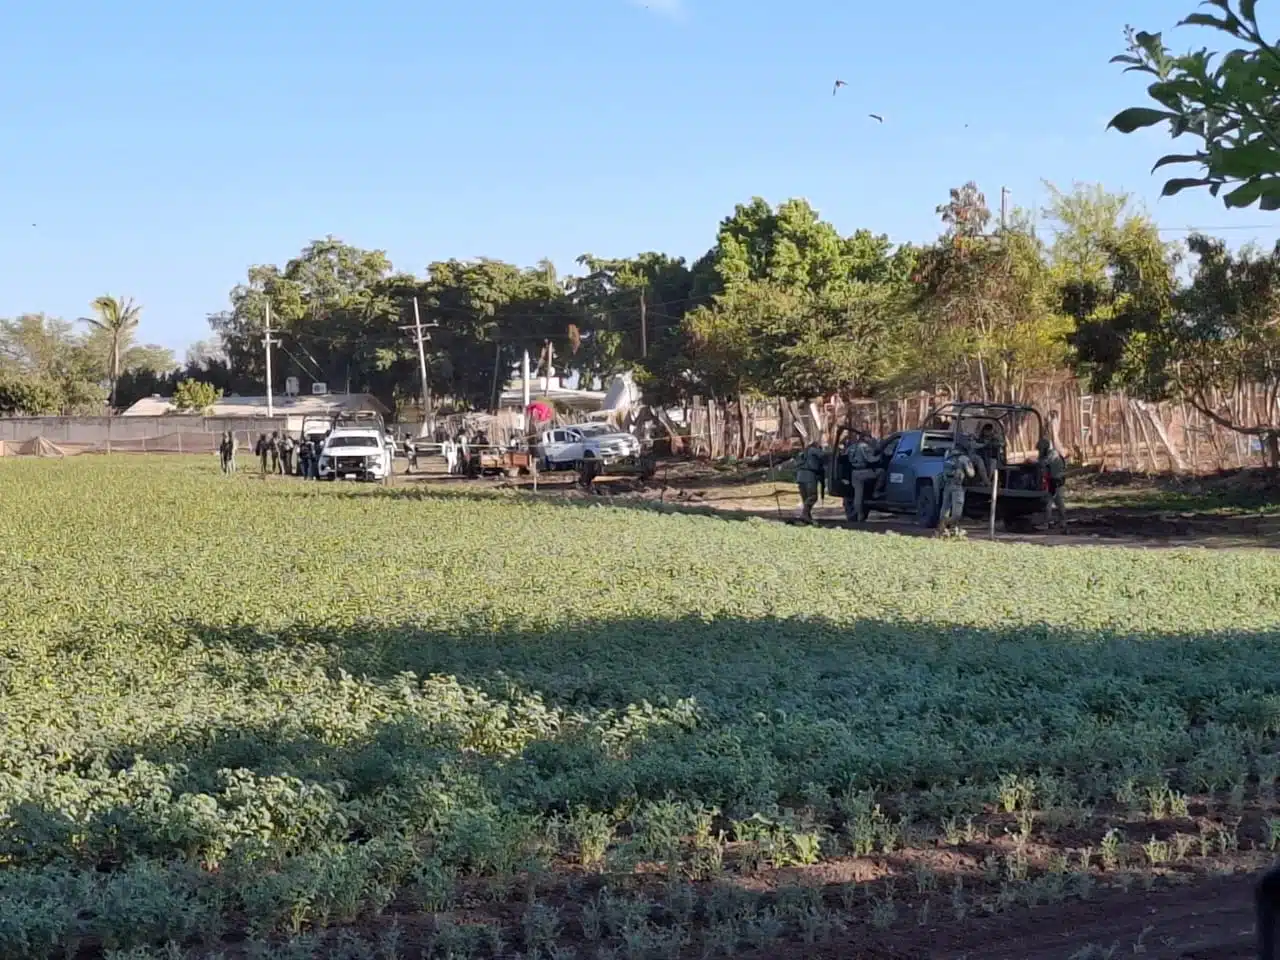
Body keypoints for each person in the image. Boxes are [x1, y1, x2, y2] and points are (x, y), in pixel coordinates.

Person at [938, 439, 976, 536]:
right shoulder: (963, 458)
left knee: (945, 509)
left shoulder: (948, 456)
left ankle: (946, 530)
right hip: (957, 487)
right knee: (957, 513)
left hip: (947, 486)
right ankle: (946, 525)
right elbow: (971, 474)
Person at [845, 432, 879, 524]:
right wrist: (879, 457)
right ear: (865, 437)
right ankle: (876, 491)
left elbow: (844, 455)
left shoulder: (851, 447)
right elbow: (870, 459)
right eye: (869, 437)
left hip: (854, 473)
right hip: (864, 472)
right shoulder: (865, 446)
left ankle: (859, 515)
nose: (871, 439)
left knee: (858, 495)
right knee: (881, 473)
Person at [794, 439, 827, 525]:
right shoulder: (813, 450)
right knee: (813, 496)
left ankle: (807, 518)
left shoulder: (803, 453)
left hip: (800, 476)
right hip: (809, 475)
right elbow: (824, 456)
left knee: (806, 499)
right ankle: (804, 515)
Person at [1038, 436, 1067, 530]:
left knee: (1057, 502)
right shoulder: (1052, 453)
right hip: (1053, 481)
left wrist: (1036, 460)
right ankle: (1051, 522)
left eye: (1040, 449)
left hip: (1057, 481)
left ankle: (1061, 522)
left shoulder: (1052, 454)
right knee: (1050, 503)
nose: (1039, 451)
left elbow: (1043, 463)